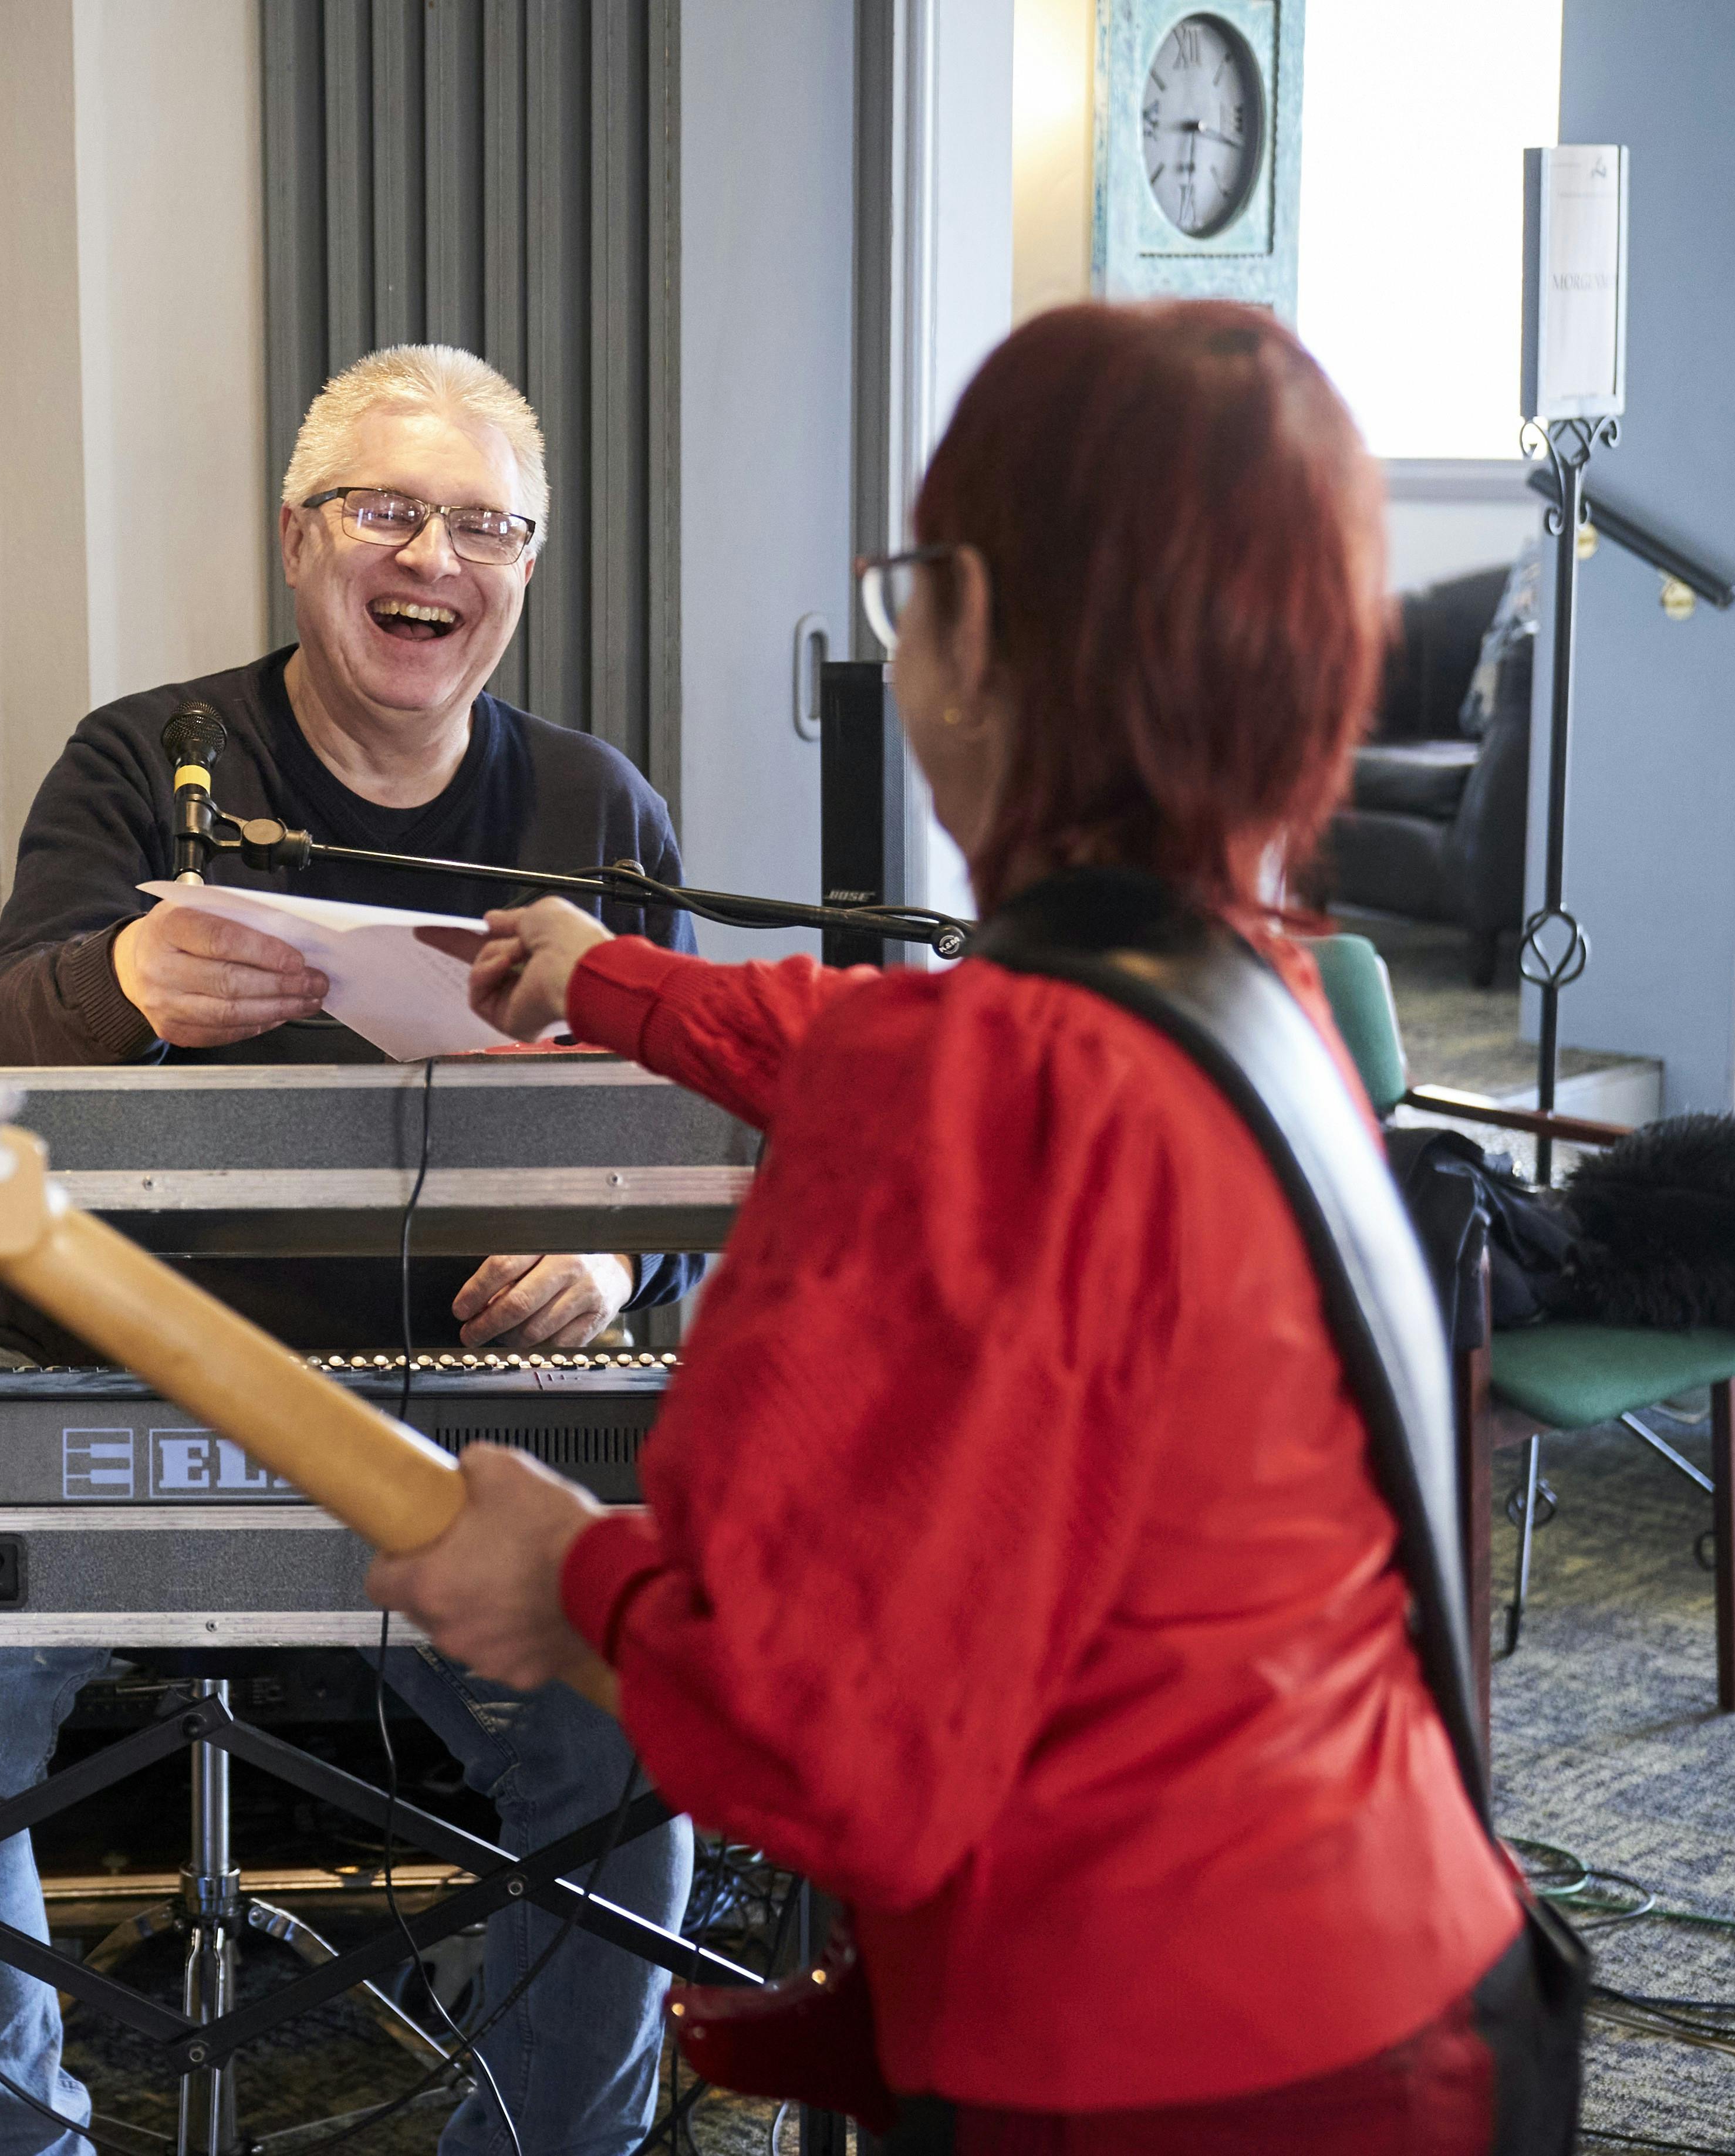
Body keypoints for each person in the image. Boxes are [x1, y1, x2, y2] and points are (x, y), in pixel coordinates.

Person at [370, 302, 1545, 2150]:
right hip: (1415, 1982)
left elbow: (821, 1739)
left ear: (972, 629)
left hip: (1159, 2074)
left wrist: (561, 1573)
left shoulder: (982, 1084)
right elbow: (850, 1038)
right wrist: (612, 981)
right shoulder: (1256, 994)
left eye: (910, 583)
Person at [0, 344, 698, 2156]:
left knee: (631, 1753)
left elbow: (686, 1159)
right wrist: (115, 982)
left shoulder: (594, 813)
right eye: (387, 509)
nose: (431, 556)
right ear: (300, 541)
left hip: (457, 1428)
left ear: (521, 569)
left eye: (481, 525)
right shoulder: (146, 761)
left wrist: (611, 1264)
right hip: (112, 1388)